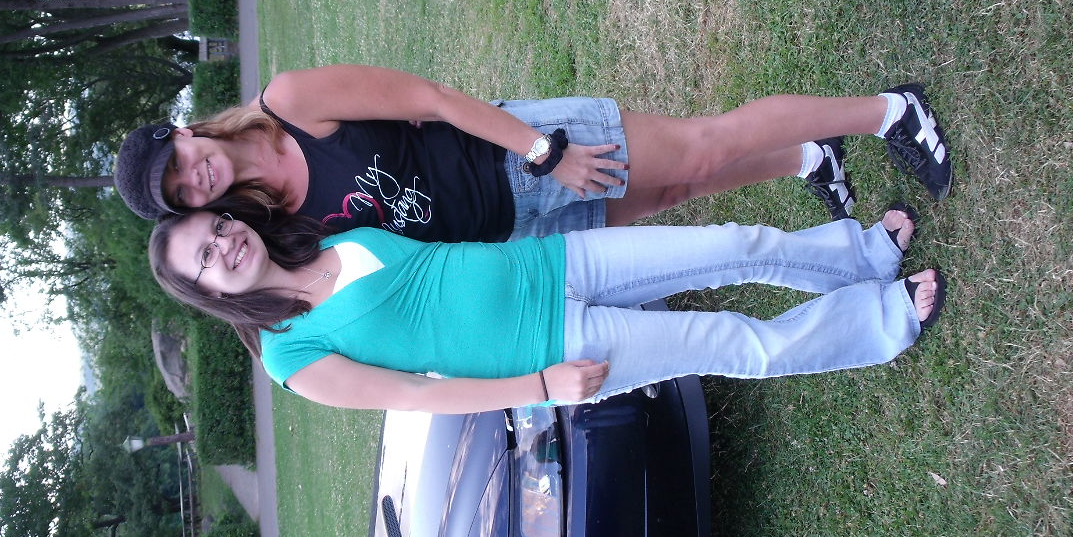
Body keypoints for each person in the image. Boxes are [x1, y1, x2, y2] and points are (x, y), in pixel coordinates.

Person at [148, 202, 947, 414]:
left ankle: (862, 257)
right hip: (555, 345)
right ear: (205, 292)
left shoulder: (316, 237)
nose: (224, 245)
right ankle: (886, 321)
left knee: (732, 244)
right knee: (735, 342)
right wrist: (539, 388)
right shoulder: (288, 351)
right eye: (204, 259)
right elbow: (416, 394)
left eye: (215, 228)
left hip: (557, 261)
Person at [114, 65, 954, 242]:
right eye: (182, 194)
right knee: (674, 194)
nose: (195, 179)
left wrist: (545, 151)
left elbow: (428, 99)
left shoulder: (291, 102)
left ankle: (891, 112)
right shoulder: (270, 227)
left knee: (700, 148)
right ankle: (810, 158)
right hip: (512, 231)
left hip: (513, 156)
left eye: (178, 163)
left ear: (184, 132)